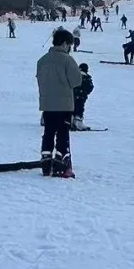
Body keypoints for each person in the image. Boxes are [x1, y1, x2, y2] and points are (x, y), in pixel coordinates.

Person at [36, 28, 82, 176]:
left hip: (47, 104)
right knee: (63, 133)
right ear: (64, 44)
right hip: (64, 105)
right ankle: (62, 164)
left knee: (48, 133)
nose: (70, 48)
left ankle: (46, 161)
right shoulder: (67, 60)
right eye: (70, 45)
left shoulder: (42, 60)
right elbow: (76, 81)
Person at [72, 63, 94, 130]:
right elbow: (90, 87)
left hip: (72, 96)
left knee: (72, 108)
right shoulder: (87, 78)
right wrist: (85, 93)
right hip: (81, 97)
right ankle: (78, 122)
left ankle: (70, 121)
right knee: (80, 109)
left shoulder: (74, 76)